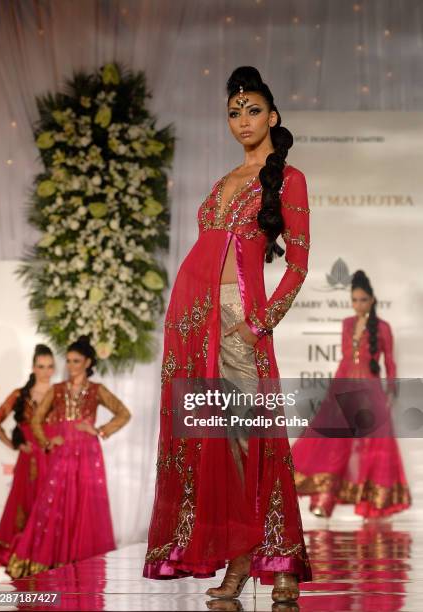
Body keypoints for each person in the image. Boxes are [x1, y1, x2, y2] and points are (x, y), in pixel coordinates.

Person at [143, 66, 312, 604]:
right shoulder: (222, 182)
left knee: (250, 443)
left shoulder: (288, 178)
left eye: (253, 110)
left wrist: (260, 321)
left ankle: (275, 561)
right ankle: (236, 562)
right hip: (193, 321)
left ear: (273, 116)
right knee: (212, 445)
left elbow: (299, 266)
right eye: (234, 113)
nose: (243, 121)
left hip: (240, 321)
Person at [6, 335, 132, 578]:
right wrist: (47, 441)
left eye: (76, 361)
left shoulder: (97, 390)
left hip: (88, 453)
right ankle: (53, 563)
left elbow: (123, 413)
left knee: (85, 504)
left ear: (87, 362)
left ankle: (83, 566)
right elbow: (35, 420)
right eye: (69, 361)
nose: (71, 366)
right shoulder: (57, 389)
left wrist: (99, 430)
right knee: (56, 502)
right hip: (63, 454)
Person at [292, 270, 411, 518]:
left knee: (372, 447)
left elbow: (390, 364)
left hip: (371, 394)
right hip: (345, 390)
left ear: (372, 300)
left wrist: (391, 393)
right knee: (334, 444)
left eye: (363, 300)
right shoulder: (346, 324)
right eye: (354, 300)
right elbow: (346, 360)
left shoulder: (383, 328)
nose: (358, 305)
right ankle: (324, 500)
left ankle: (375, 505)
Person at [0, 344, 55, 566]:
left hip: (52, 460)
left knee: (51, 508)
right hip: (28, 462)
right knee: (23, 507)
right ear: (33, 367)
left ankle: (46, 558)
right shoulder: (19, 395)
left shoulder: (59, 394)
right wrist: (15, 445)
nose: (46, 371)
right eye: (41, 366)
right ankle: (22, 558)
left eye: (50, 366)